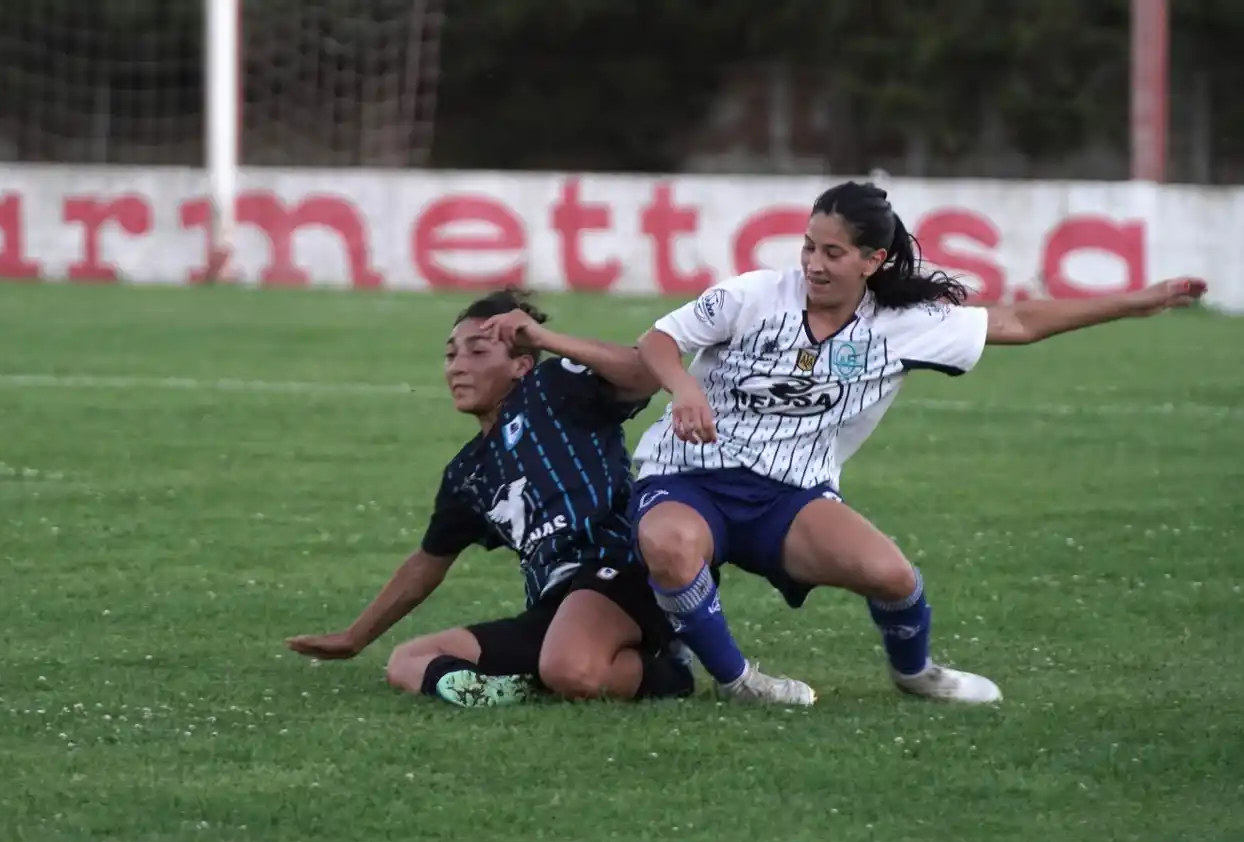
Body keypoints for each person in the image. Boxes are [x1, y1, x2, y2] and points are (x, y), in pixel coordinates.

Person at [628, 180, 1208, 707]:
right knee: (669, 543)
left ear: (872, 260)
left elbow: (1020, 323)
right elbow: (658, 339)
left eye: (833, 253)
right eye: (809, 247)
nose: (814, 264)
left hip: (787, 496)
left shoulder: (904, 322)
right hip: (688, 478)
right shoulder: (752, 296)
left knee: (893, 578)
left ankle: (916, 674)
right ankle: (739, 683)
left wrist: (1136, 302)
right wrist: (682, 387)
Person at [286, 288, 695, 707]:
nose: (458, 367)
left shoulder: (552, 387)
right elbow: (427, 563)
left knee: (570, 668)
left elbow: (644, 375)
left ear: (520, 364)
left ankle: (671, 672)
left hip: (622, 568)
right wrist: (354, 638)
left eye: (477, 352)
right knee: (407, 661)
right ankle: (516, 687)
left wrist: (545, 340)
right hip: (555, 607)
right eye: (451, 356)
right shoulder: (468, 473)